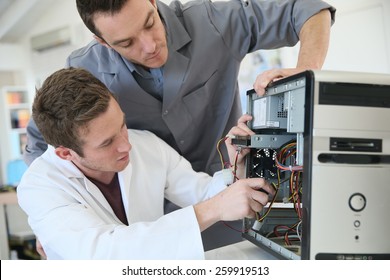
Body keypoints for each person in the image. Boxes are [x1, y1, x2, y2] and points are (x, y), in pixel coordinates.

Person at [23, 0, 335, 249]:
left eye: (149, 23)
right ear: (101, 41)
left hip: (224, 198)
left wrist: (305, 74)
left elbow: (306, 8)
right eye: (126, 42)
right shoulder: (85, 71)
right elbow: (44, 141)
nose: (149, 46)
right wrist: (53, 220)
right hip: (153, 218)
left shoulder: (212, 23)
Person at [17, 67, 274, 259]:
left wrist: (237, 166)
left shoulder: (145, 145)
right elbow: (104, 255)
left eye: (122, 126)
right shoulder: (40, 187)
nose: (126, 145)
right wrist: (213, 209)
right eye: (107, 143)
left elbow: (203, 194)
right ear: (65, 153)